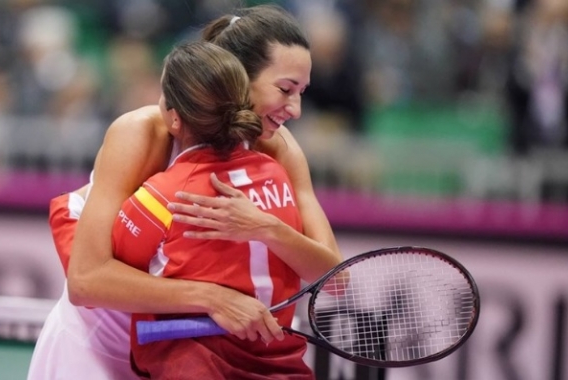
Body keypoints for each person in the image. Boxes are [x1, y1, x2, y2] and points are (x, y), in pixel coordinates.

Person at [27, 5, 342, 379]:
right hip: (98, 345)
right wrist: (212, 297)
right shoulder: (142, 133)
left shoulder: (281, 150)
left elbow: (336, 281)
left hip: (179, 356)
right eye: (285, 89)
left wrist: (266, 229)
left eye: (303, 91)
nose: (296, 109)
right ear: (238, 76)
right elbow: (86, 282)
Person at [113, 40, 314, 379]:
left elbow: (108, 270)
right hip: (280, 365)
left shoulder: (162, 195)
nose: (294, 108)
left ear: (175, 119)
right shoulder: (277, 172)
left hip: (196, 364)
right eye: (286, 89)